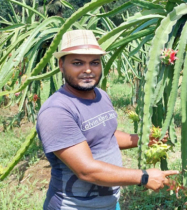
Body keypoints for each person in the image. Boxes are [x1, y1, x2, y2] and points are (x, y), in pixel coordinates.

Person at [36, 30, 179, 210]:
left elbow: (105, 135)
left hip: (110, 203)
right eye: (77, 63)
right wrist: (143, 177)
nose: (88, 69)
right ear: (61, 65)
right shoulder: (56, 111)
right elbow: (86, 170)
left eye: (94, 62)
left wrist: (144, 139)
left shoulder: (101, 96)